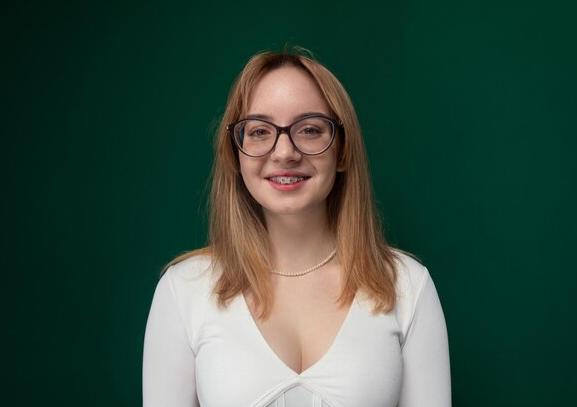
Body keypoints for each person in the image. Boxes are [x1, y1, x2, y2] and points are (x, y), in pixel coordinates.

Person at [142, 48, 451, 407]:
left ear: (343, 150)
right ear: (235, 154)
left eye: (309, 129)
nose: (285, 151)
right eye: (259, 131)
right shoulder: (183, 292)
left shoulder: (408, 286)